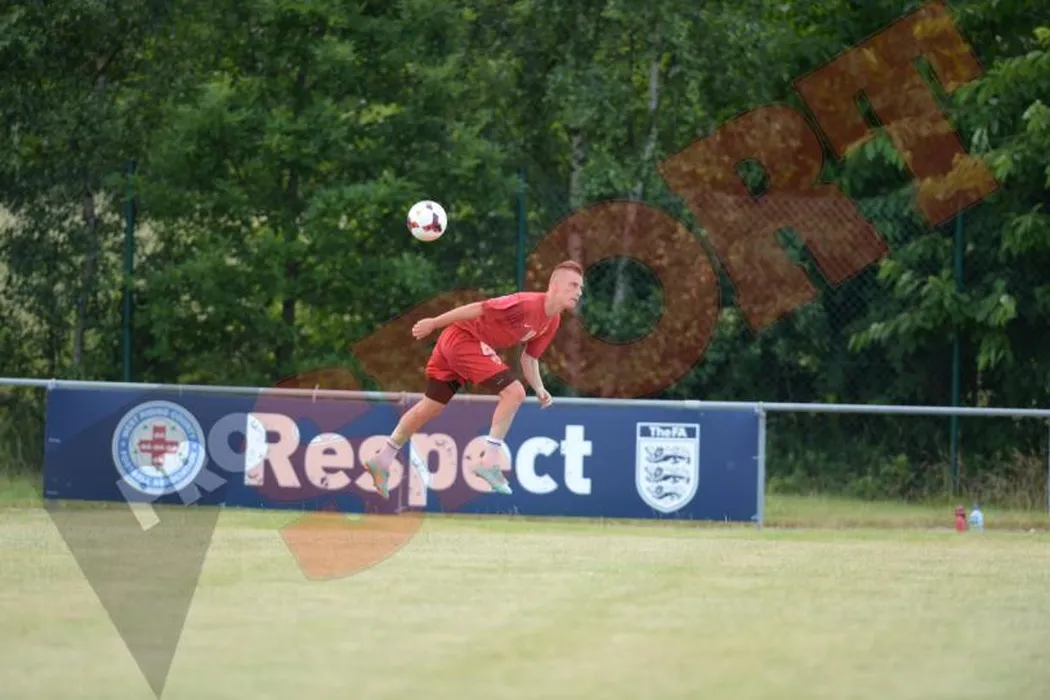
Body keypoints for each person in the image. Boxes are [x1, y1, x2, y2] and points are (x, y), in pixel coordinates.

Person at [362, 260, 584, 498]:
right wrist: (434, 323)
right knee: (514, 392)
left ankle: (382, 459)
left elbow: (529, 357)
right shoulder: (526, 303)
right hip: (462, 339)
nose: (579, 292)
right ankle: (489, 462)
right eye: (573, 285)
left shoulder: (552, 321)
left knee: (431, 406)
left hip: (455, 344)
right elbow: (479, 307)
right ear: (555, 285)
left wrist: (539, 387)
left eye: (580, 287)